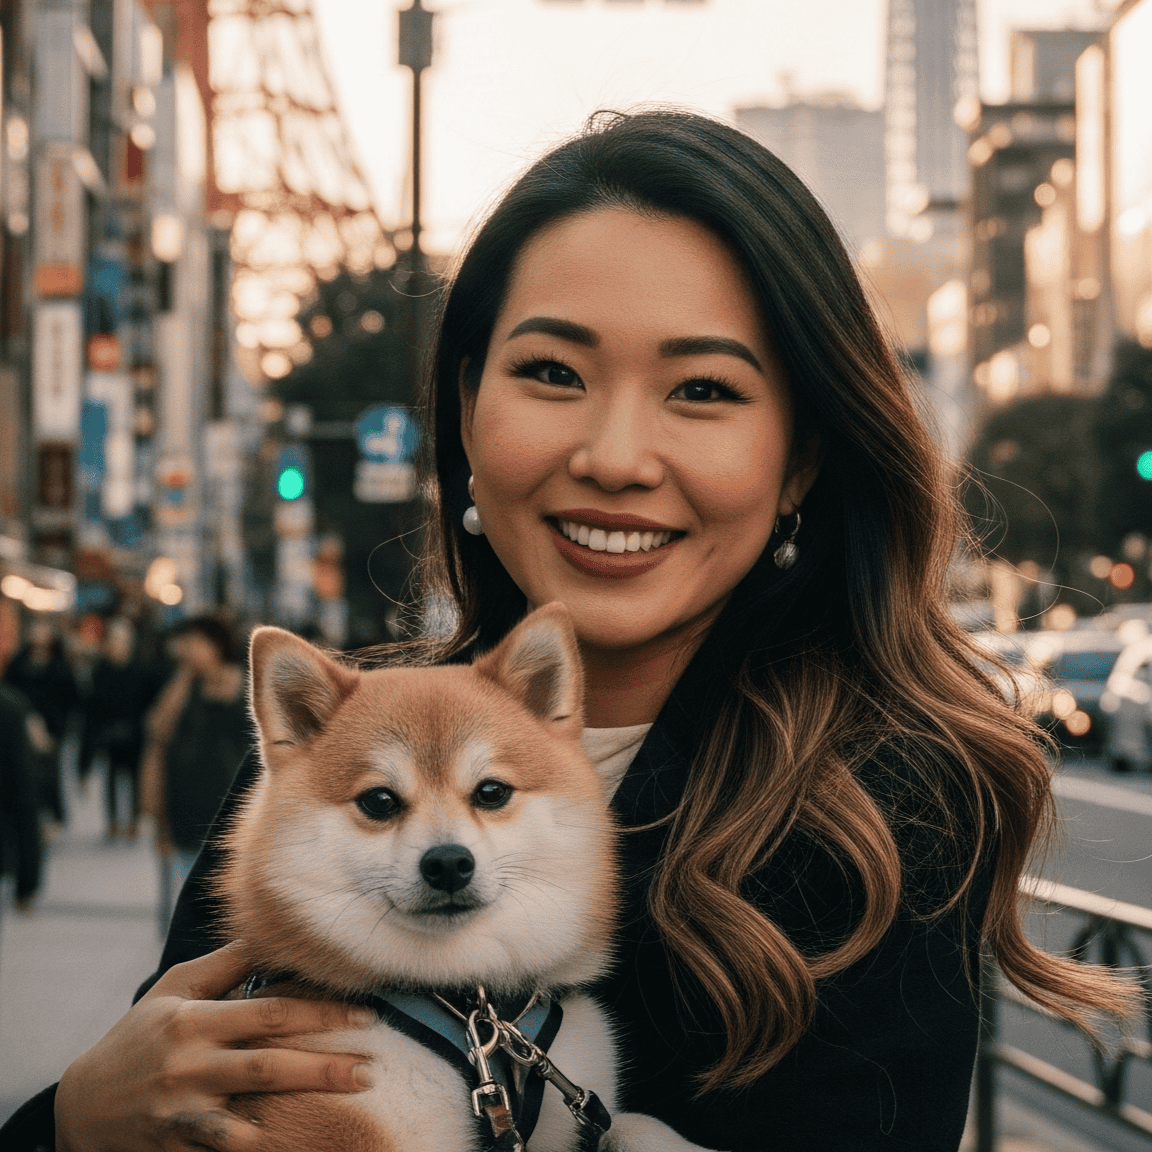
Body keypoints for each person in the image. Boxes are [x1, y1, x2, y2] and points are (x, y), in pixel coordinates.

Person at [4, 110, 1136, 1151]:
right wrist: (73, 1121)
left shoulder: (881, 820)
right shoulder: (339, 747)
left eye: (702, 390)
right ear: (463, 406)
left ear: (801, 457)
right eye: (551, 372)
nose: (614, 455)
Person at [138, 616, 249, 925]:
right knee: (188, 907)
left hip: (235, 813)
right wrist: (184, 678)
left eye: (194, 642)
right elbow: (156, 729)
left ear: (215, 645)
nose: (186, 650)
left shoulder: (246, 685)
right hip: (186, 809)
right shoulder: (183, 687)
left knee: (227, 907)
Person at [81, 618, 155, 839]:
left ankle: (133, 821)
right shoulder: (101, 671)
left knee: (133, 779)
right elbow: (94, 706)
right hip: (110, 733)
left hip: (134, 733)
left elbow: (147, 701)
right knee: (112, 778)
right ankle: (113, 821)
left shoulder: (140, 669)